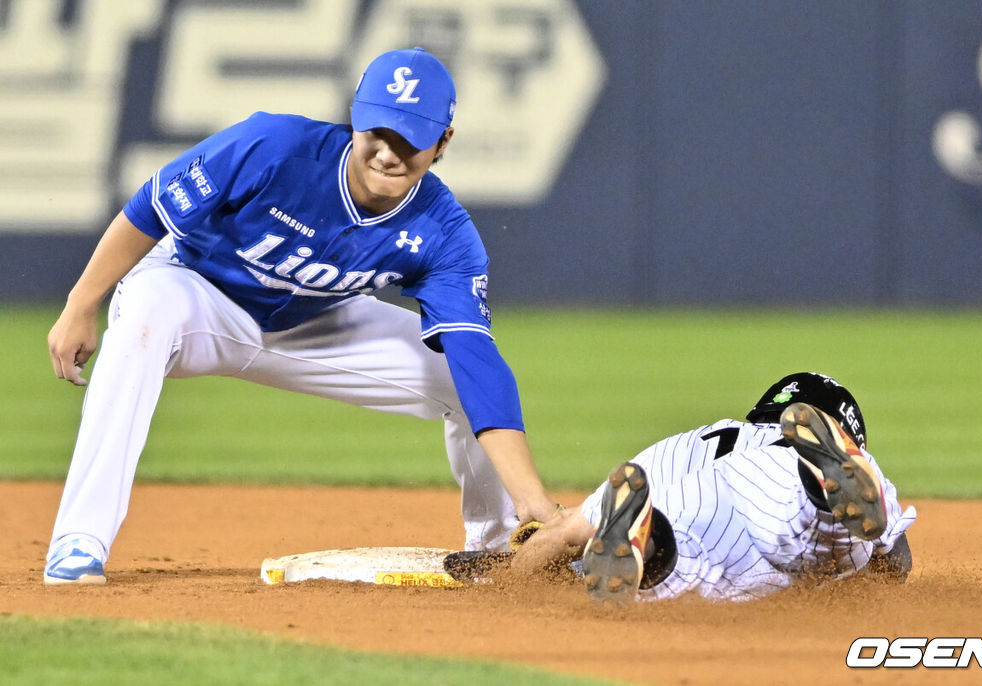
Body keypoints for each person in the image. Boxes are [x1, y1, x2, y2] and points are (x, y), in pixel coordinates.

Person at [44, 47, 561, 585]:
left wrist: (536, 501)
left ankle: (503, 546)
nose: (387, 152)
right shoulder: (274, 145)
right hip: (195, 292)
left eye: (410, 139)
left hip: (317, 323)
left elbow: (476, 361)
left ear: (443, 141)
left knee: (459, 379)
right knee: (142, 324)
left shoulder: (446, 233)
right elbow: (152, 206)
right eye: (377, 132)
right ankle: (80, 540)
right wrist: (81, 304)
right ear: (355, 119)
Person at [510, 372, 917, 603]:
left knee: (680, 570)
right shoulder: (783, 449)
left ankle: (650, 543)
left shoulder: (690, 441)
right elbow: (895, 563)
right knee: (826, 534)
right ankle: (819, 488)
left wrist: (511, 579)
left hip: (691, 500)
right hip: (781, 480)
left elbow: (564, 537)